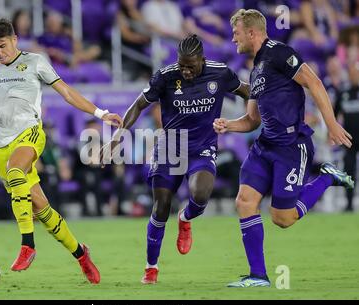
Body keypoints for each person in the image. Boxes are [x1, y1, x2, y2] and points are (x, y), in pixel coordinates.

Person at [0, 18, 123, 284]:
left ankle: (27, 244)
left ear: (14, 39)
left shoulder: (36, 62)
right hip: (0, 145)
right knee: (42, 209)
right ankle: (81, 253)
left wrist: (101, 113)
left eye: (2, 46)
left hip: (29, 134)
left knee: (16, 170)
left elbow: (66, 92)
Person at [213, 9, 355, 288]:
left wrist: (331, 125)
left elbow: (313, 82)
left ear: (251, 32)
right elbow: (252, 120)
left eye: (236, 33)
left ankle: (326, 178)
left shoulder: (278, 52)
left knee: (283, 218)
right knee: (244, 202)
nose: (233, 39)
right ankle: (258, 276)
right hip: (265, 144)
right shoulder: (255, 71)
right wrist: (228, 125)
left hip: (291, 146)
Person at [101, 34, 250, 284]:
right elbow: (138, 105)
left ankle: (185, 218)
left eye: (191, 66)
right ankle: (151, 268)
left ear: (202, 60)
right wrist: (117, 137)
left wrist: (265, 108)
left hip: (202, 147)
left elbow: (248, 92)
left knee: (201, 195)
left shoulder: (220, 73)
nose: (186, 70)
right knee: (160, 208)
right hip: (170, 147)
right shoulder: (166, 76)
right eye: (182, 64)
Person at [334, 61, 359, 212]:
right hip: (349, 140)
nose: (354, 76)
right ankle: (349, 204)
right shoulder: (343, 92)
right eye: (352, 74)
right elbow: (334, 114)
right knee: (349, 172)